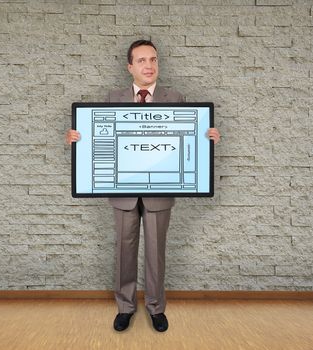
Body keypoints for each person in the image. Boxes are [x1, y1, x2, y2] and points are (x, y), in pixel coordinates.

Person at [66, 40, 220, 332]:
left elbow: (187, 138)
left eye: (153, 59)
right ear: (130, 67)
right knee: (124, 250)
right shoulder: (113, 97)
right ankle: (125, 307)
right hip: (122, 192)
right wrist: (77, 137)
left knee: (155, 251)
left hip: (159, 193)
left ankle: (155, 308)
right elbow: (100, 138)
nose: (149, 66)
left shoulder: (175, 97)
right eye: (141, 61)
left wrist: (208, 137)